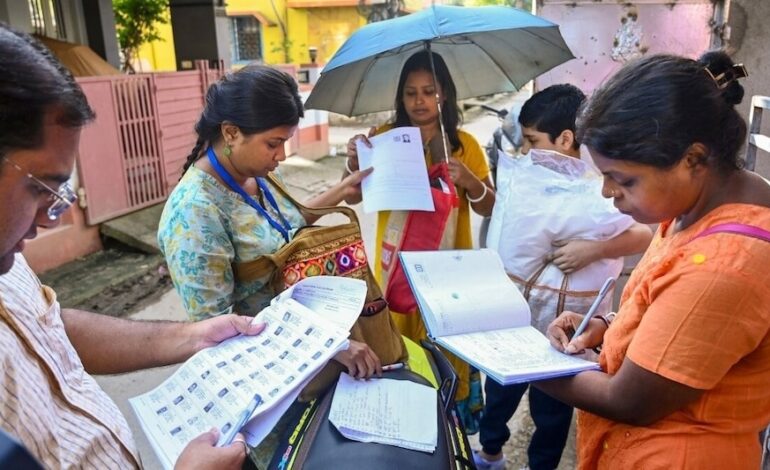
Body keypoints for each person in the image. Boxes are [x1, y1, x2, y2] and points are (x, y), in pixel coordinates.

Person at [0, 23, 259, 470]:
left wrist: (193, 335)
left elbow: (49, 326)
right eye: (40, 189)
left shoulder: (8, 259)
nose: (49, 218)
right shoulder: (196, 206)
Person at [536, 52, 770, 469]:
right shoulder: (691, 208)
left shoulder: (724, 266)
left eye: (623, 180)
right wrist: (608, 327)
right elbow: (673, 315)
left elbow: (631, 400)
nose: (607, 192)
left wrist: (525, 367)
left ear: (692, 159)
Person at [157, 64, 383, 467]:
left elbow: (283, 226)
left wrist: (340, 190)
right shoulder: (194, 214)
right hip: (267, 394)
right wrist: (327, 347)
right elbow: (216, 333)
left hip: (307, 366)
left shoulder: (252, 174)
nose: (281, 156)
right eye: (273, 144)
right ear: (231, 132)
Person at [473, 84, 654, 470]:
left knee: (553, 410)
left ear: (566, 139)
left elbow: (643, 235)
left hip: (567, 326)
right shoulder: (525, 178)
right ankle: (490, 452)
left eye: (533, 141)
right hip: (515, 315)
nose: (526, 151)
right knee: (500, 391)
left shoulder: (599, 185)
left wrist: (594, 249)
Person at [343, 50, 496, 429]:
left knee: (444, 347)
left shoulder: (464, 145)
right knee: (397, 349)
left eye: (429, 91)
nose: (419, 101)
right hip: (395, 273)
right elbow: (353, 196)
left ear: (445, 94)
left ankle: (448, 436)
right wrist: (353, 162)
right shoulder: (384, 139)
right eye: (411, 93)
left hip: (448, 274)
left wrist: (469, 180)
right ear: (401, 97)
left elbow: (489, 206)